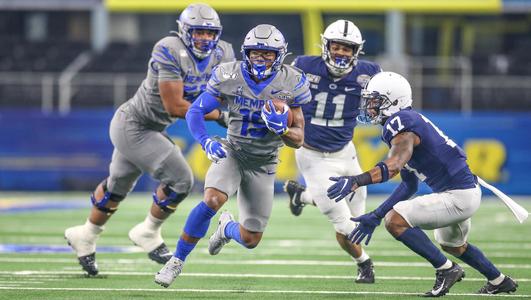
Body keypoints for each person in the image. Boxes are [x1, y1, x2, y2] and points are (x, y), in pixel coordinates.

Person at [64, 3, 235, 276]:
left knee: (116, 187)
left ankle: (85, 235)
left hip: (151, 127)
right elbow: (175, 106)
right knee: (181, 180)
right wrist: (221, 115)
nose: (204, 38)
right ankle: (148, 231)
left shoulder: (224, 52)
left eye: (209, 32)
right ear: (184, 31)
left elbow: (229, 91)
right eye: (198, 32)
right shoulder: (168, 48)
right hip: (135, 125)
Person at [327, 71, 519, 297]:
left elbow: (395, 164)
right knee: (452, 244)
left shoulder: (401, 122)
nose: (370, 107)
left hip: (458, 196)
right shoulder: (405, 122)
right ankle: (499, 280)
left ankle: (446, 269)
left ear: (394, 102)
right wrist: (376, 215)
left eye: (376, 101)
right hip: (462, 193)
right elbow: (409, 186)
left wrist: (357, 181)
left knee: (396, 220)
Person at [154, 24, 311, 288]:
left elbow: (299, 139)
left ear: (279, 55)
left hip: (264, 163)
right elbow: (194, 111)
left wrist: (282, 128)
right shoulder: (230, 75)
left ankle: (226, 228)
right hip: (234, 151)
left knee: (251, 239)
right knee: (213, 198)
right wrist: (205, 142)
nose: (260, 59)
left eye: (267, 54)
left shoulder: (291, 81)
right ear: (245, 53)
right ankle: (176, 261)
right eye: (255, 53)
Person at [284, 20, 381, 283]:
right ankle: (365, 263)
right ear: (326, 46)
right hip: (312, 155)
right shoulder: (304, 66)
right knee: (345, 224)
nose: (340, 52)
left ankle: (302, 196)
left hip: (346, 153)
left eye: (347, 48)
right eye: (336, 46)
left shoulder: (370, 73)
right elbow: (280, 95)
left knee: (357, 215)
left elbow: (384, 105)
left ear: (356, 51)